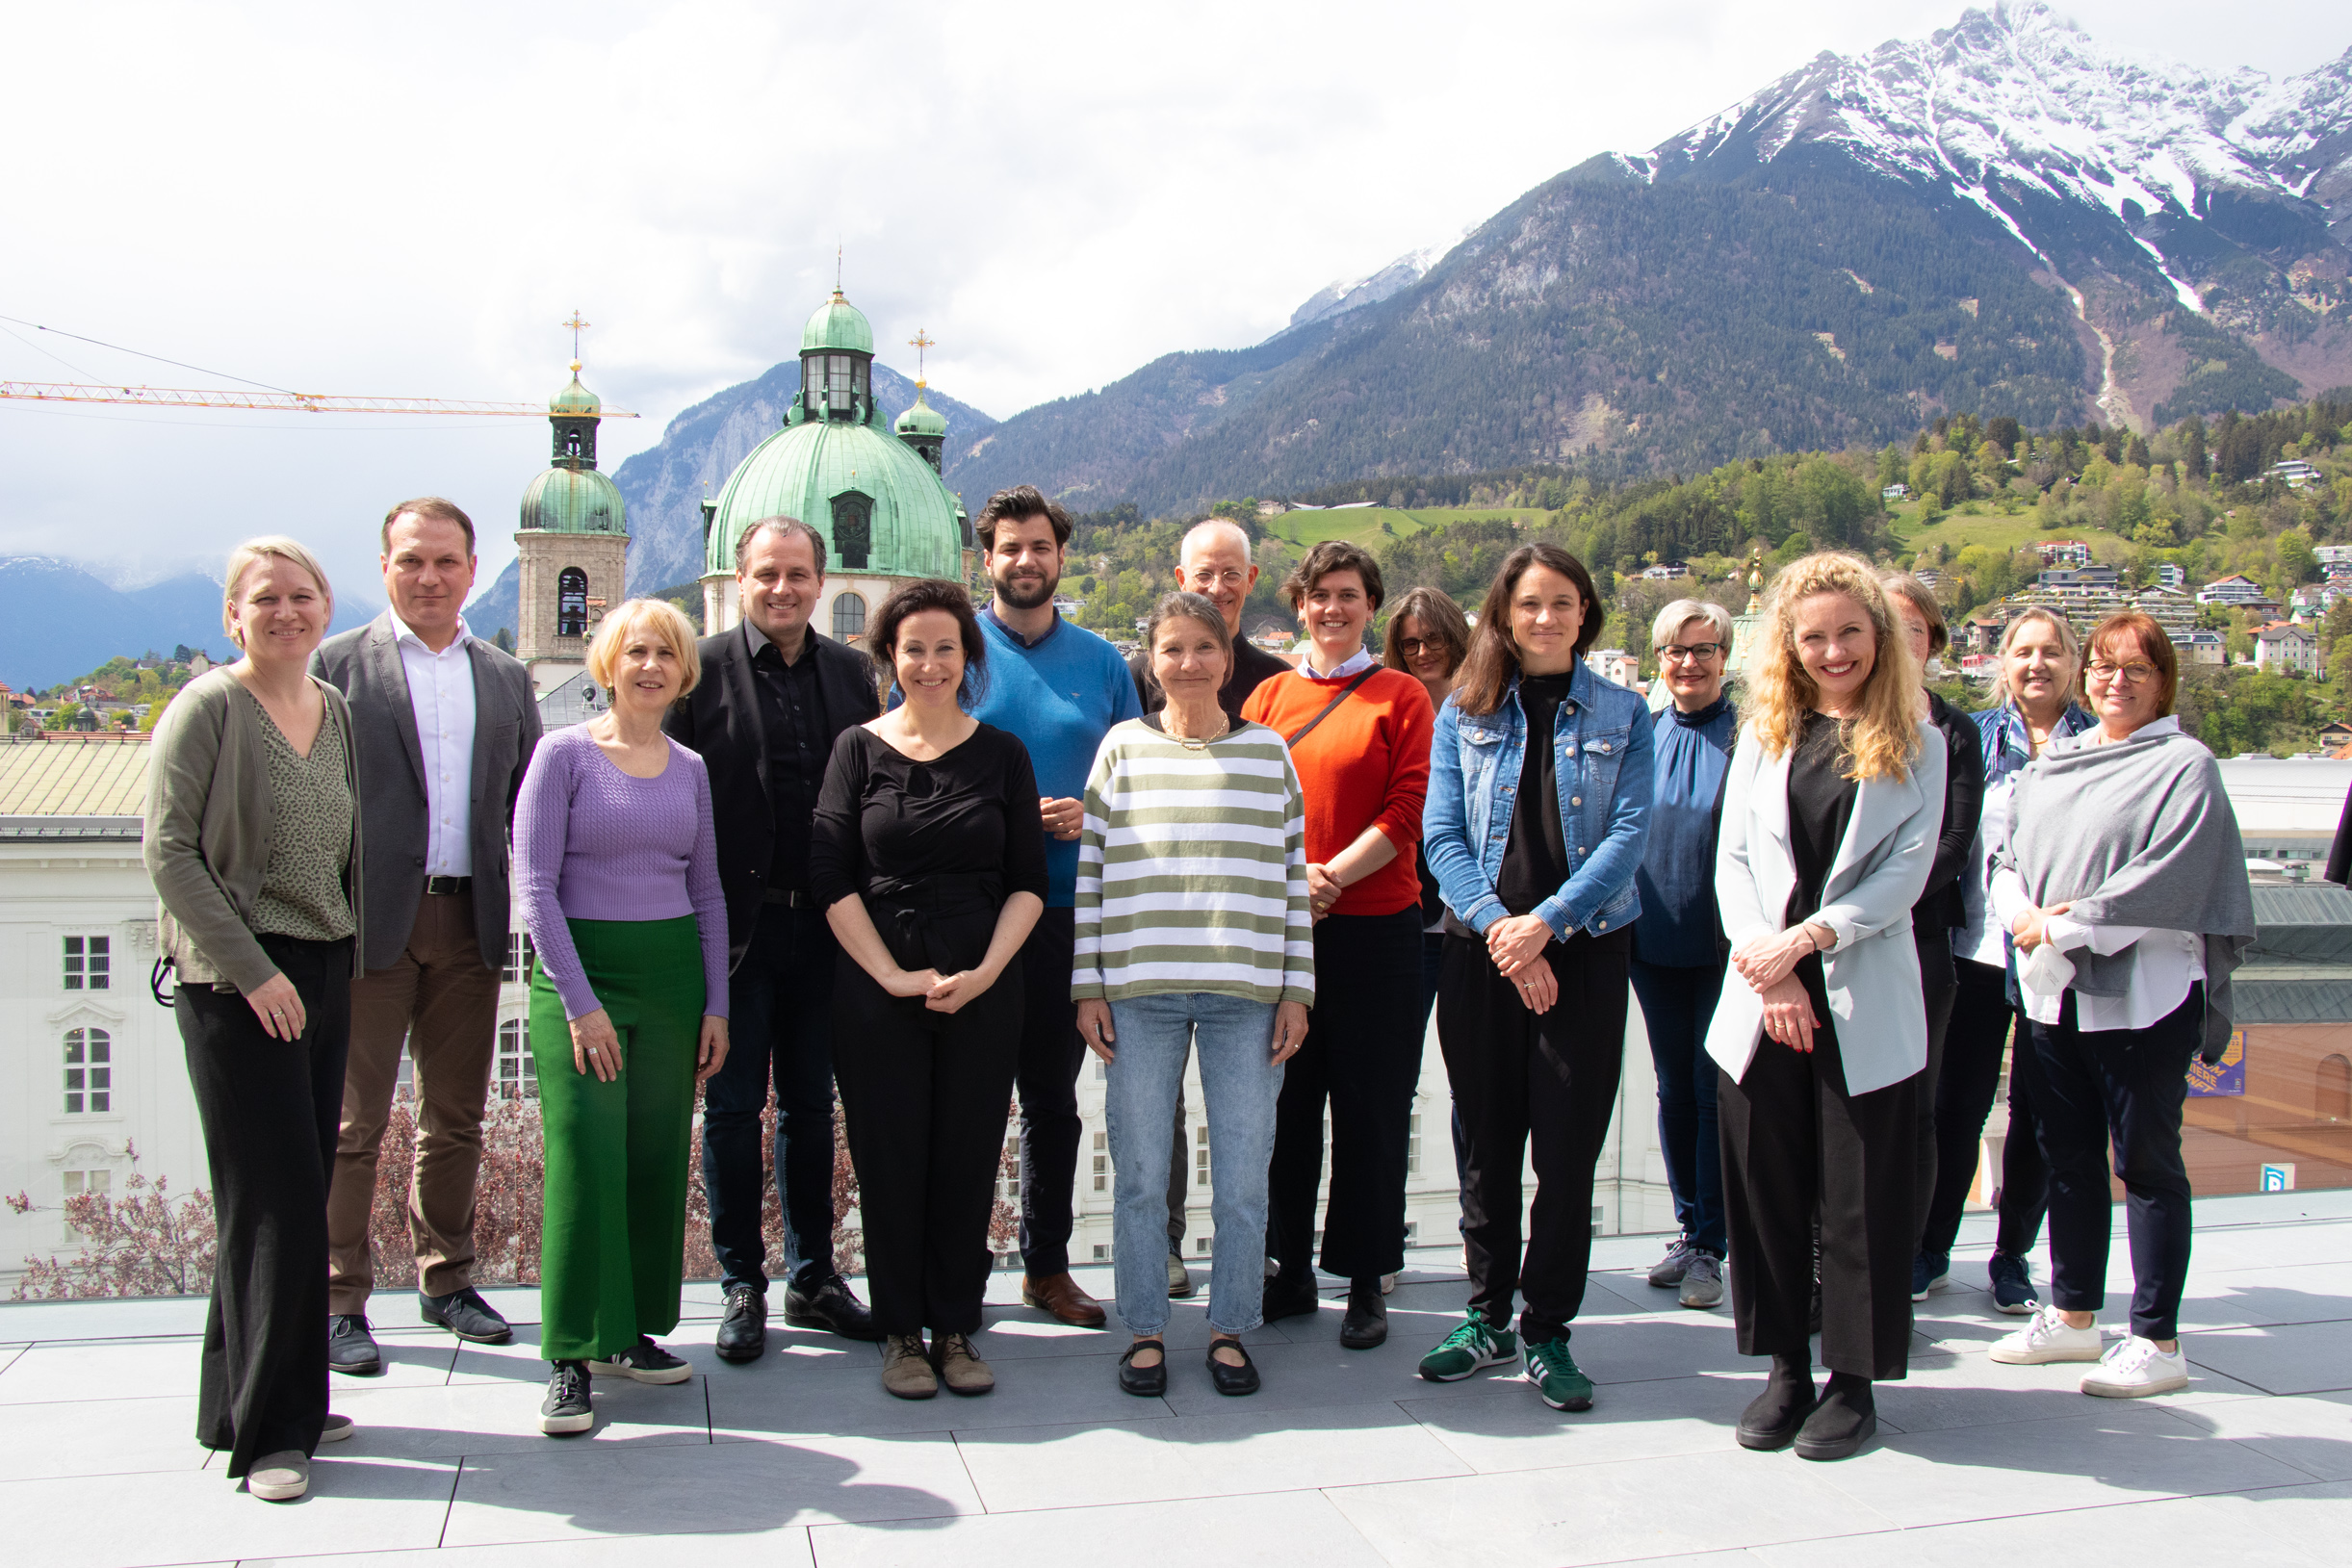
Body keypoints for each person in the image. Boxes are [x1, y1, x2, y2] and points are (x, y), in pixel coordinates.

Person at [1708, 552, 1944, 1462]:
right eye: (1813, 636)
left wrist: (1803, 945)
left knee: (1856, 1199)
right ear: (1787, 645)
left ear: (1879, 636)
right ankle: (1783, 1371)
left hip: (1857, 995)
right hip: (1762, 1000)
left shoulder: (1917, 739)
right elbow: (1732, 861)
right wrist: (1768, 973)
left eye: (1850, 632)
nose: (1833, 650)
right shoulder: (1767, 730)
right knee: (1766, 1187)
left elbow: (1903, 877)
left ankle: (1851, 1382)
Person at [147, 537, 363, 1502]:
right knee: (275, 1201)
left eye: (303, 596)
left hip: (323, 967)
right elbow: (170, 853)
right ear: (232, 617)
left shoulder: (336, 709)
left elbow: (345, 846)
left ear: (325, 608)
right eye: (264, 598)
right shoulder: (208, 707)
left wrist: (333, 964)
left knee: (287, 1190)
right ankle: (276, 1436)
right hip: (239, 986)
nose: (287, 612)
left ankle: (242, 1399)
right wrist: (255, 971)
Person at [1989, 613, 2253, 1398]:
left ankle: (2156, 1338)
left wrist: (2062, 924)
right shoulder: (2054, 763)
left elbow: (2170, 881)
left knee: (2144, 1162)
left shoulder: (2184, 766)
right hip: (2051, 990)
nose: (2114, 681)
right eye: (2102, 667)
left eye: (2135, 669)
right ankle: (2073, 1317)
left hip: (2145, 997)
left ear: (2163, 680)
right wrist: (2021, 918)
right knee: (2066, 1159)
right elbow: (2005, 856)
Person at [1417, 543, 1651, 1411]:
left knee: (1564, 1150)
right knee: (1484, 1143)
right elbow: (1441, 838)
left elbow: (1629, 836)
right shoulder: (1462, 712)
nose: (1545, 617)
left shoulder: (1628, 714)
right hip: (1481, 956)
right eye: (1528, 604)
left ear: (1584, 612)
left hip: (1584, 951)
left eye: (1561, 602)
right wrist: (1501, 933)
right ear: (1504, 615)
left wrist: (1544, 927)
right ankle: (1486, 1316)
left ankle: (1548, 1328)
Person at [314, 499, 541, 1376]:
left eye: (446, 561)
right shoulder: (336, 668)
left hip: (470, 918)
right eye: (412, 560)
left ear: (473, 568)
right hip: (369, 920)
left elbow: (524, 801)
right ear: (384, 566)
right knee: (352, 1123)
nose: (430, 576)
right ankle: (340, 1297)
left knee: (456, 1118)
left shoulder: (503, 675)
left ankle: (446, 1280)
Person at [814, 579, 1049, 1400]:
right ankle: (900, 1332)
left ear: (966, 656)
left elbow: (1027, 881)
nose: (929, 662)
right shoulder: (855, 750)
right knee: (890, 1155)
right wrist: (889, 974)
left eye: (945, 647)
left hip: (983, 978)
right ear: (890, 656)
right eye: (913, 647)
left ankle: (955, 1325)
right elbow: (830, 877)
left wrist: (986, 972)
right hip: (879, 983)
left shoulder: (1003, 754)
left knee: (966, 1153)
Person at [1075, 592, 1315, 1398]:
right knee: (1141, 1172)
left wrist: (1295, 990)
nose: (1187, 664)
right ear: (1150, 659)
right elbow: (1093, 877)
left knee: (1245, 1178)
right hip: (1137, 991)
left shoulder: (1267, 753)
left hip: (1245, 993)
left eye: (1202, 648)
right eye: (1171, 649)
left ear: (1227, 655)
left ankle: (1229, 1328)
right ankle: (1144, 1328)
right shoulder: (1120, 750)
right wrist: (1088, 987)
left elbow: (1291, 880)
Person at [665, 516, 884, 1358]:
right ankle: (739, 1283)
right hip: (733, 932)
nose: (783, 589)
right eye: (767, 574)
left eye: (798, 574)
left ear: (819, 580)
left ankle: (812, 1275)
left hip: (825, 928)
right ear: (740, 577)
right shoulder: (701, 671)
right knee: (729, 1109)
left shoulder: (852, 674)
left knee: (808, 1107)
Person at [515, 600, 731, 1436]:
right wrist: (580, 1003)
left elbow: (706, 889)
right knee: (583, 1158)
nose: (650, 666)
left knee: (651, 1157)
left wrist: (715, 1003)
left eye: (666, 654)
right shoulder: (561, 754)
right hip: (583, 979)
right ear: (608, 664)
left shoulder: (690, 768)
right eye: (635, 651)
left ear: (684, 672)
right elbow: (533, 888)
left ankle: (628, 1333)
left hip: (673, 979)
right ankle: (569, 1354)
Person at [958, 485, 1141, 1329]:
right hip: (972, 916)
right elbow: (907, 768)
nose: (1024, 560)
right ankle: (952, 1271)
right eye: (1008, 547)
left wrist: (1090, 814)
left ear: (1060, 558)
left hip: (1070, 915)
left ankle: (1045, 1267)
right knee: (965, 1098)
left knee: (1052, 1103)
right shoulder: (950, 654)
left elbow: (1142, 785)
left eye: (1040, 546)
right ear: (984, 559)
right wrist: (997, 817)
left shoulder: (1104, 664)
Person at [1243, 541, 1434, 1350]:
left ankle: (1363, 1279)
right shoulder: (1267, 699)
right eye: (1319, 594)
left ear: (1371, 605)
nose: (1332, 607)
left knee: (1371, 1110)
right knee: (1285, 1109)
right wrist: (1299, 888)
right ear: (1298, 604)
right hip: (1286, 936)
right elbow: (1243, 809)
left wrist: (1327, 880)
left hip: (1379, 934)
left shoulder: (1403, 697)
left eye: (1348, 594)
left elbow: (1406, 809)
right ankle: (1287, 1269)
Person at [1129, 519, 1296, 1298]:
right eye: (1204, 573)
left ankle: (1239, 1304)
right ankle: (1152, 1291)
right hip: (1149, 968)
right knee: (1142, 1148)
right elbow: (1106, 862)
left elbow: (1286, 857)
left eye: (1232, 572)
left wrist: (1296, 983)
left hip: (1243, 968)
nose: (1189, 662)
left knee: (1245, 1158)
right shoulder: (1127, 724)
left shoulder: (1272, 715)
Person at [1920, 609, 2089, 1313]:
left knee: (2040, 1111)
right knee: (1956, 1104)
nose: (2036, 664)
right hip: (1980, 947)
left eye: (2051, 652)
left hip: (2062, 951)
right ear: (2001, 662)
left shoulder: (2099, 743)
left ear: (2073, 663)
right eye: (2023, 651)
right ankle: (1930, 1247)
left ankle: (2012, 1253)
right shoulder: (1974, 737)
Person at [1877, 573, 1984, 1298]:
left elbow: (1952, 842)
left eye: (1913, 627)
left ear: (1932, 640)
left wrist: (1873, 902)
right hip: (1841, 942)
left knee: (1916, 1105)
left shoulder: (1955, 731)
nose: (1901, 640)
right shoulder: (1839, 720)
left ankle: (1910, 1251)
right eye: (1887, 625)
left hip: (1917, 939)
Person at [1630, 599, 1738, 1311]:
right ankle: (1687, 1227)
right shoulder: (1641, 732)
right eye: (1675, 650)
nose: (1688, 663)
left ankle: (1711, 1240)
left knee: (1711, 1091)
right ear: (1658, 658)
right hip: (1650, 937)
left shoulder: (1750, 736)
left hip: (1725, 943)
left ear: (1724, 659)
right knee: (1672, 1089)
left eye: (1702, 650)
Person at [1383, 586, 1475, 1041]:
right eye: (1410, 644)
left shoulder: (1490, 708)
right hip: (1411, 916)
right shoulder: (1389, 710)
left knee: (1475, 1073)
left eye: (1434, 640)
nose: (1423, 653)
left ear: (1457, 638)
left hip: (1475, 918)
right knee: (1399, 1060)